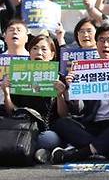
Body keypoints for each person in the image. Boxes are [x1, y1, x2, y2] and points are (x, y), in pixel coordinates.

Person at [51, 23, 109, 163]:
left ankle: (81, 153)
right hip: (93, 123)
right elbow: (77, 109)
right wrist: (71, 90)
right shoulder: (86, 68)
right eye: (101, 40)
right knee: (62, 123)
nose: (105, 44)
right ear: (96, 43)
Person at [1, 33, 66, 162]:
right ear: (29, 53)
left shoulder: (58, 78)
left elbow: (63, 115)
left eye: (43, 49)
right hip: (22, 127)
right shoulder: (19, 75)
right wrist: (6, 93)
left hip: (44, 131)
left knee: (51, 139)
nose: (39, 53)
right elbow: (11, 111)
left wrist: (60, 95)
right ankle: (36, 153)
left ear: (52, 54)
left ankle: (24, 151)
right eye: (35, 48)